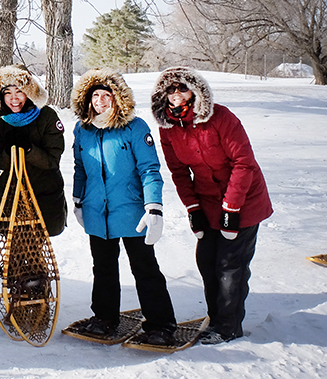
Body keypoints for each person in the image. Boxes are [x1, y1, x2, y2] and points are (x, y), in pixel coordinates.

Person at [151, 67, 273, 345]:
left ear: (195, 90)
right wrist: (193, 209)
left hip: (244, 200)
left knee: (230, 265)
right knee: (207, 261)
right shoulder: (168, 128)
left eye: (182, 88)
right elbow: (179, 172)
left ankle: (228, 326)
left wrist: (232, 208)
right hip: (207, 202)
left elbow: (244, 163)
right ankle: (215, 316)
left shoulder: (221, 117)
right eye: (170, 90)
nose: (176, 94)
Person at [71, 68, 177, 346]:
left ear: (118, 98)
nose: (101, 101)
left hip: (132, 212)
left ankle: (160, 324)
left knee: (144, 268)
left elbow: (150, 169)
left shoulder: (135, 127)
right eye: (96, 96)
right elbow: (80, 167)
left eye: (107, 95)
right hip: (96, 211)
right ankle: (105, 318)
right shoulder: (83, 129)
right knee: (103, 268)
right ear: (88, 99)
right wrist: (78, 199)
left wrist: (153, 206)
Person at [0, 65, 67, 235]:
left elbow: (52, 160)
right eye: (7, 92)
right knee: (13, 250)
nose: (14, 98)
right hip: (12, 195)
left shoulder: (46, 115)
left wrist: (29, 150)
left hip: (44, 192)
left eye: (19, 91)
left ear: (29, 92)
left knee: (37, 250)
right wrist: (9, 152)